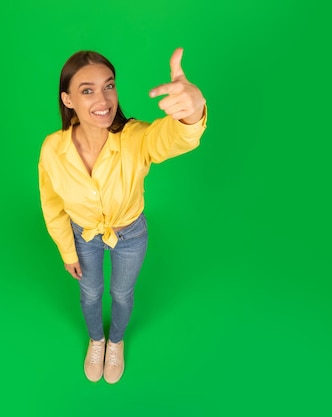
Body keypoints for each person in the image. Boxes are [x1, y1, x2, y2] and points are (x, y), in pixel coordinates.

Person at [38, 48, 207, 383]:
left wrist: (192, 112)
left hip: (129, 235)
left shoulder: (135, 137)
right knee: (89, 293)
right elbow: (52, 204)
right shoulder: (52, 150)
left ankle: (115, 340)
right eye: (87, 90)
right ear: (67, 99)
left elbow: (170, 138)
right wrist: (66, 250)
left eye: (109, 86)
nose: (103, 99)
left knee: (121, 294)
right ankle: (96, 340)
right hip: (82, 235)